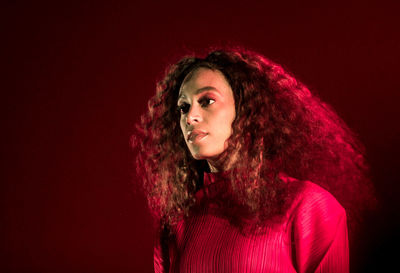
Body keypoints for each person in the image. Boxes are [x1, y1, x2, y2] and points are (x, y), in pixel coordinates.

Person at [132, 47, 375, 273]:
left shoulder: (309, 207)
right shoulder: (177, 223)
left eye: (207, 101)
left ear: (247, 110)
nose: (191, 117)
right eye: (183, 107)